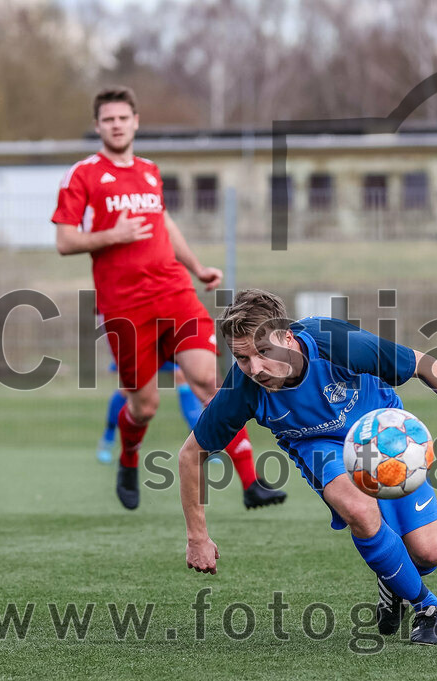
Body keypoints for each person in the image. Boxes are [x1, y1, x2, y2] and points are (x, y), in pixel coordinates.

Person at [180, 289, 437, 645]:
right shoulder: (243, 389)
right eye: (242, 358)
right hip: (316, 445)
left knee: (427, 554)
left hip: (384, 433)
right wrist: (197, 536)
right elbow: (191, 454)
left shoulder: (337, 343)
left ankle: (392, 582)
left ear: (287, 338)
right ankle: (428, 608)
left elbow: (425, 364)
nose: (255, 369)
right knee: (358, 511)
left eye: (264, 353)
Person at [53, 86, 285, 511]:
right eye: (108, 119)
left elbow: (163, 223)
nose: (117, 125)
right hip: (123, 305)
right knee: (144, 405)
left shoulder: (148, 171)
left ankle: (253, 484)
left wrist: (197, 268)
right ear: (98, 125)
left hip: (174, 292)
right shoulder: (83, 174)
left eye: (123, 118)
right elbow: (65, 240)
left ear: (136, 121)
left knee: (209, 381)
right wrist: (113, 235)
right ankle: (127, 459)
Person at [97, 361, 203, 465]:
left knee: (181, 376)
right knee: (128, 387)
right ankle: (108, 438)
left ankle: (200, 440)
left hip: (163, 344)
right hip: (138, 344)